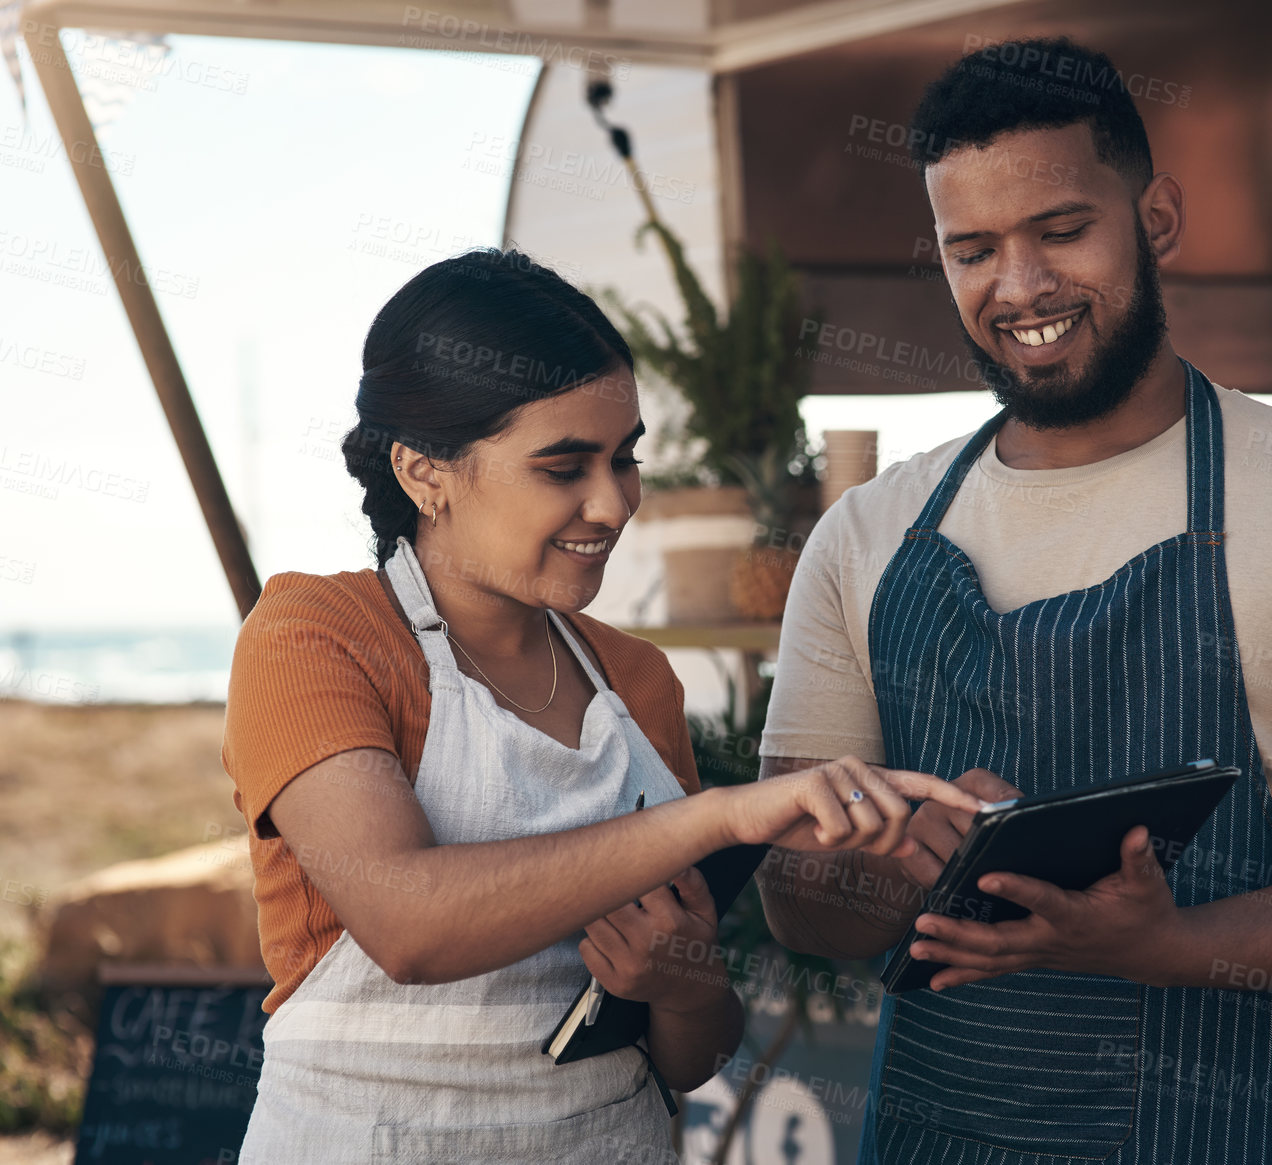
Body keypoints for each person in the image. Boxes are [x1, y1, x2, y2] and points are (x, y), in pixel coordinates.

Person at [756, 37, 1272, 1164]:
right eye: (973, 250)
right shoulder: (866, 535)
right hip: (942, 1134)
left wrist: (1170, 943)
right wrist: (893, 863)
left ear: (1155, 217)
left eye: (1061, 231)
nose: (1020, 287)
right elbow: (791, 895)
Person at [221, 248, 980, 1162]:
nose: (615, 502)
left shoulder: (637, 679)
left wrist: (681, 986)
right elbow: (409, 925)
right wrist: (719, 817)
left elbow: (694, 1057)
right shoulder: (315, 632)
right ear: (424, 472)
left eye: (625, 458)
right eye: (563, 466)